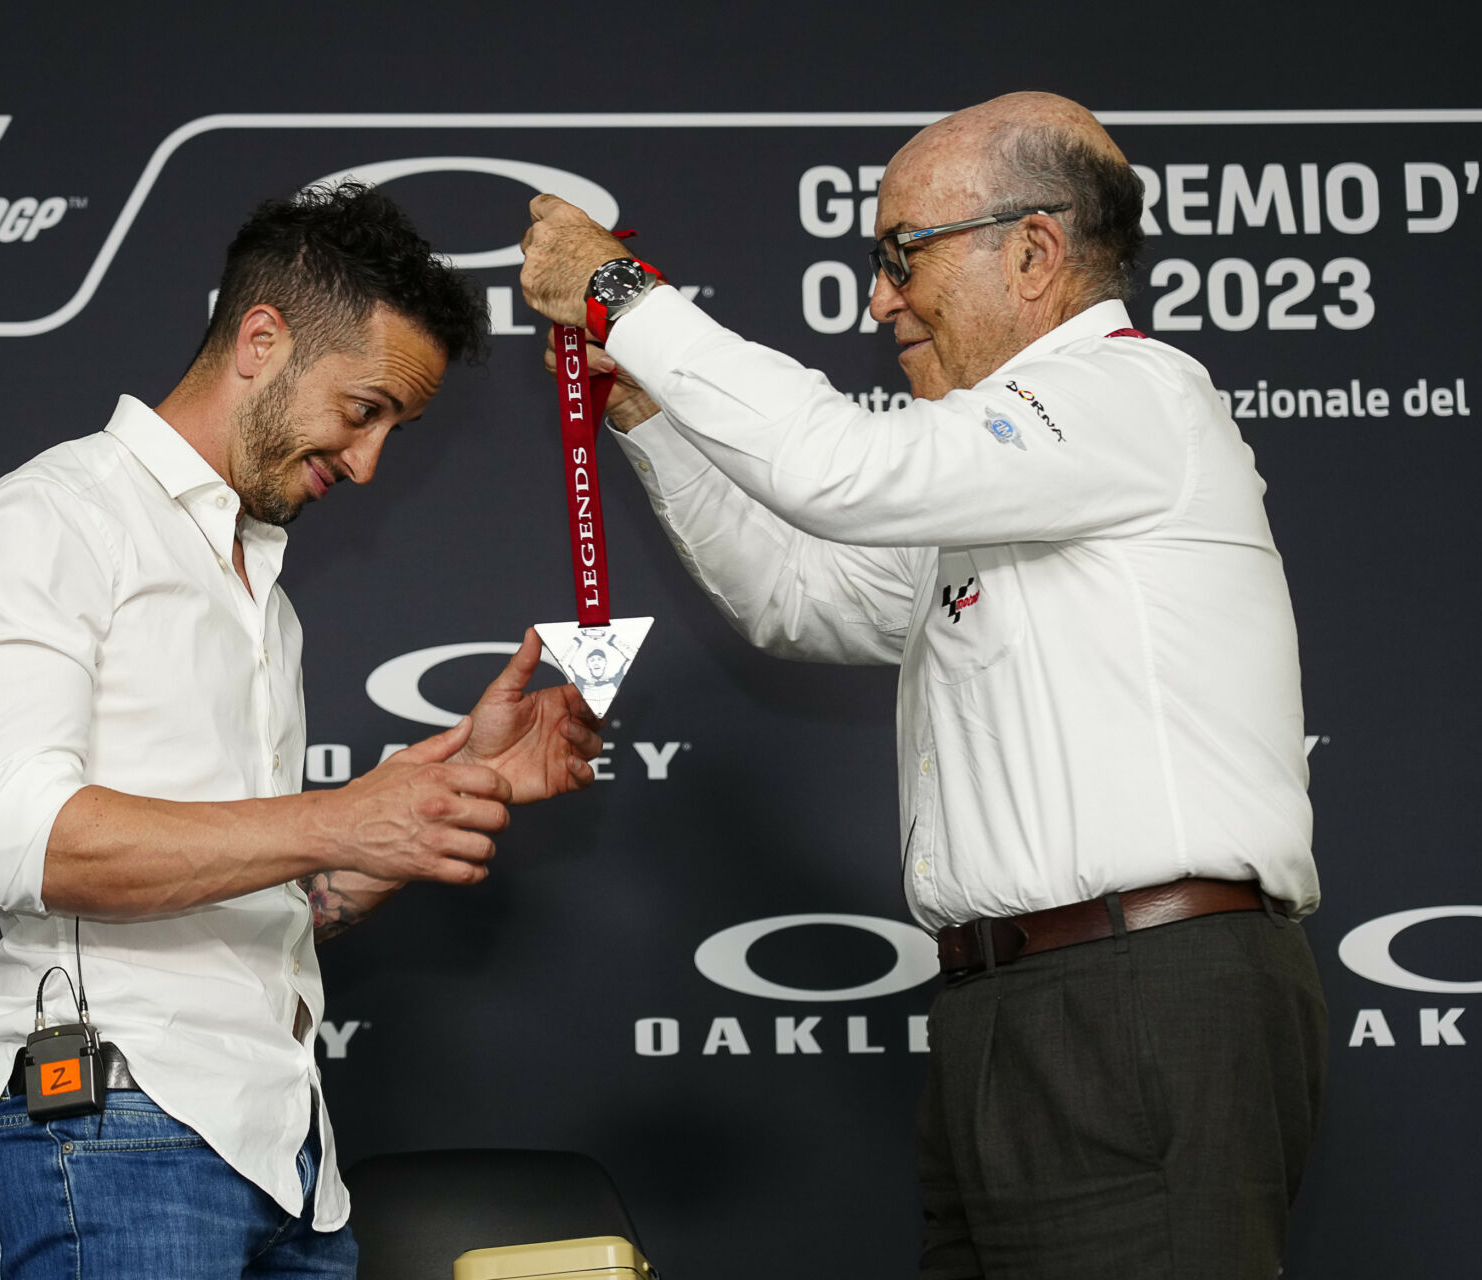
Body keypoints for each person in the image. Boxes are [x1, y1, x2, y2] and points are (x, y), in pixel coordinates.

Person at [519, 92, 1326, 1279]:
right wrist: (644, 408)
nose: (879, 296)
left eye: (902, 254)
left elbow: (833, 468)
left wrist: (625, 297)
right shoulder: (1010, 476)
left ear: (1036, 252)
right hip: (1006, 1008)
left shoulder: (1130, 397)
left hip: (1140, 996)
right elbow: (800, 591)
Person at [0, 182, 603, 1279]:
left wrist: (421, 807)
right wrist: (342, 814)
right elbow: (25, 838)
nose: (372, 461)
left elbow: (247, 897)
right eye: (365, 408)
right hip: (113, 1133)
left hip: (289, 1157)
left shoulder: (261, 592)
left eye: (398, 428)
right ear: (261, 338)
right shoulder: (47, 520)